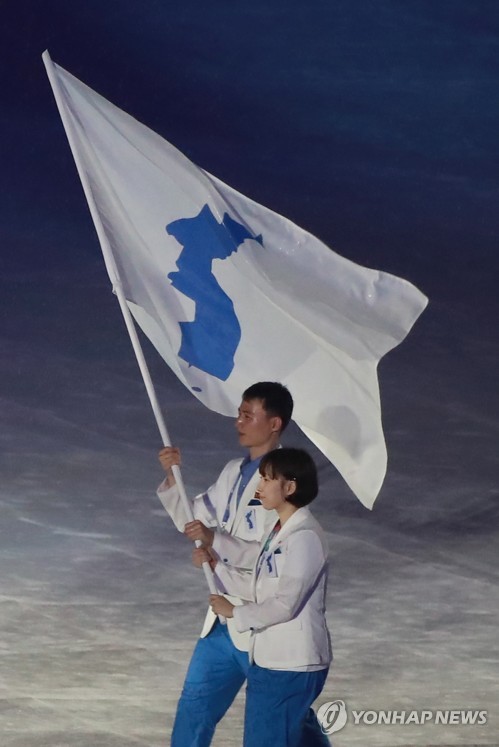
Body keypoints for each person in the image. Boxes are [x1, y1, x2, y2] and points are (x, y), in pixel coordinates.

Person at [157, 382, 297, 745]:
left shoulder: (286, 482)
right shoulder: (233, 471)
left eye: (248, 415)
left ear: (274, 424)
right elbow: (191, 520)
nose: (238, 422)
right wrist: (174, 477)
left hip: (262, 625)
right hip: (222, 622)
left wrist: (215, 545)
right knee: (194, 710)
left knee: (285, 723)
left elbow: (268, 552)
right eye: (239, 413)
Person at [200, 447, 332, 747]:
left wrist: (235, 612)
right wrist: (216, 567)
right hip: (271, 659)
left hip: (291, 662)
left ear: (290, 487)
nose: (259, 486)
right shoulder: (277, 529)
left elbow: (285, 603)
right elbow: (261, 586)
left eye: (268, 479)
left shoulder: (305, 538)